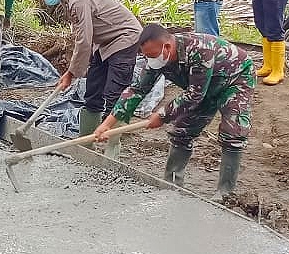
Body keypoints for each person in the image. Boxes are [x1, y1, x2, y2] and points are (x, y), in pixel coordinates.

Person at [95, 24, 255, 201]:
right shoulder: (157, 59)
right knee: (182, 131)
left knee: (232, 133)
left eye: (151, 55)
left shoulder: (199, 50)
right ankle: (171, 184)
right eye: (146, 56)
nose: (150, 60)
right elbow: (137, 90)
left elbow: (194, 95)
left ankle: (225, 193)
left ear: (167, 47)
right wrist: (107, 124)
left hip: (235, 79)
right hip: (201, 88)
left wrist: (162, 115)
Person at [31, 0, 142, 159]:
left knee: (114, 92)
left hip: (124, 37)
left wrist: (72, 73)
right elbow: (85, 37)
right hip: (104, 42)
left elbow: (83, 40)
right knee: (93, 90)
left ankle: (112, 149)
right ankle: (86, 145)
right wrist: (73, 72)